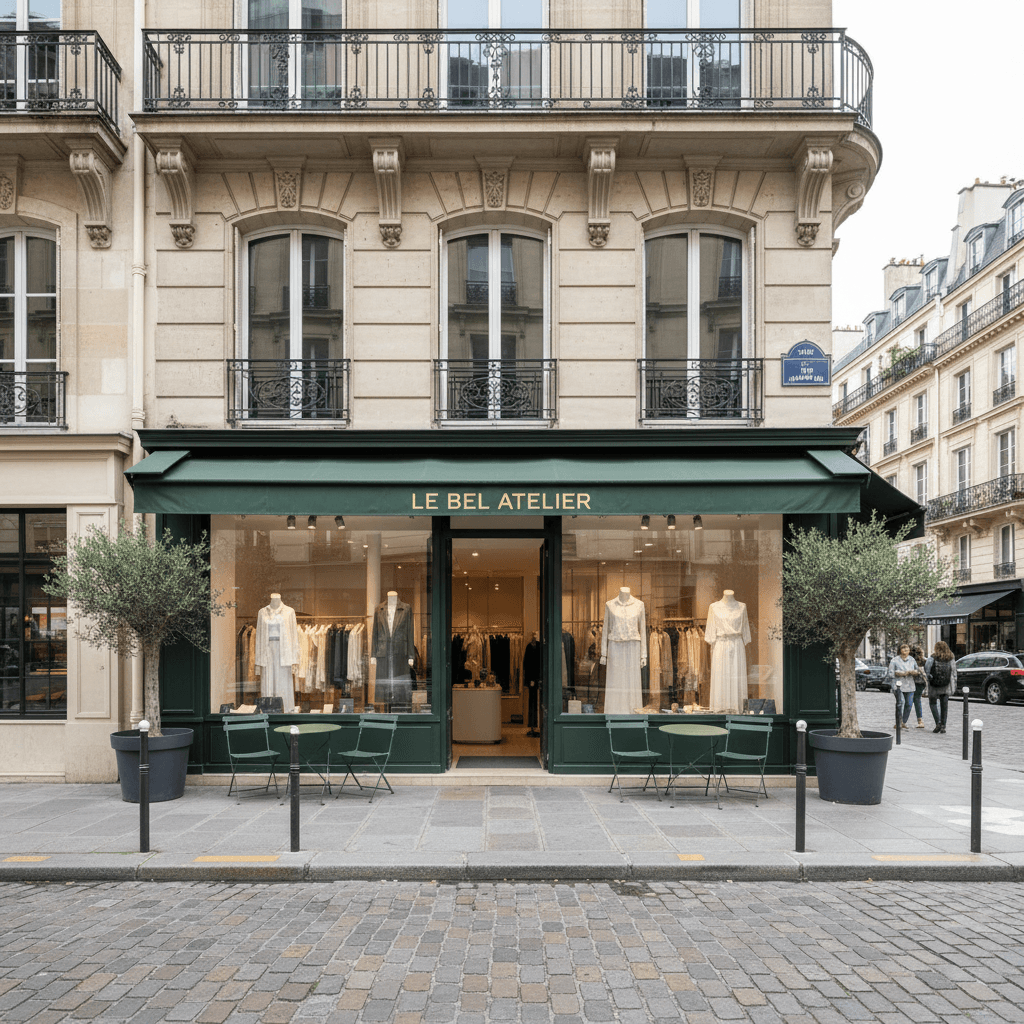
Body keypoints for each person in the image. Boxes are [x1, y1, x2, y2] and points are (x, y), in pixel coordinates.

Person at [924, 640, 957, 734]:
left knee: (933, 703)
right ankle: (943, 726)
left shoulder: (932, 657)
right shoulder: (950, 658)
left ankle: (938, 722)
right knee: (944, 706)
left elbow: (927, 670)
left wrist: (928, 678)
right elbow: (954, 672)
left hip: (934, 685)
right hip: (946, 686)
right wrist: (954, 684)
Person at [887, 642, 919, 728]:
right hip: (898, 686)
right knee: (901, 703)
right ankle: (898, 722)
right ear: (900, 650)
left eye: (907, 649)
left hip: (910, 685)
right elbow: (890, 674)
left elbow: (917, 670)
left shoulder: (912, 659)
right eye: (904, 649)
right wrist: (901, 673)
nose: (906, 650)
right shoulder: (894, 660)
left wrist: (914, 672)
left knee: (909, 704)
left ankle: (903, 722)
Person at [908, 643, 927, 728]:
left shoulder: (909, 661)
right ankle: (920, 721)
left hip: (912, 682)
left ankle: (902, 720)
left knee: (908, 701)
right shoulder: (924, 661)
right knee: (917, 700)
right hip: (921, 683)